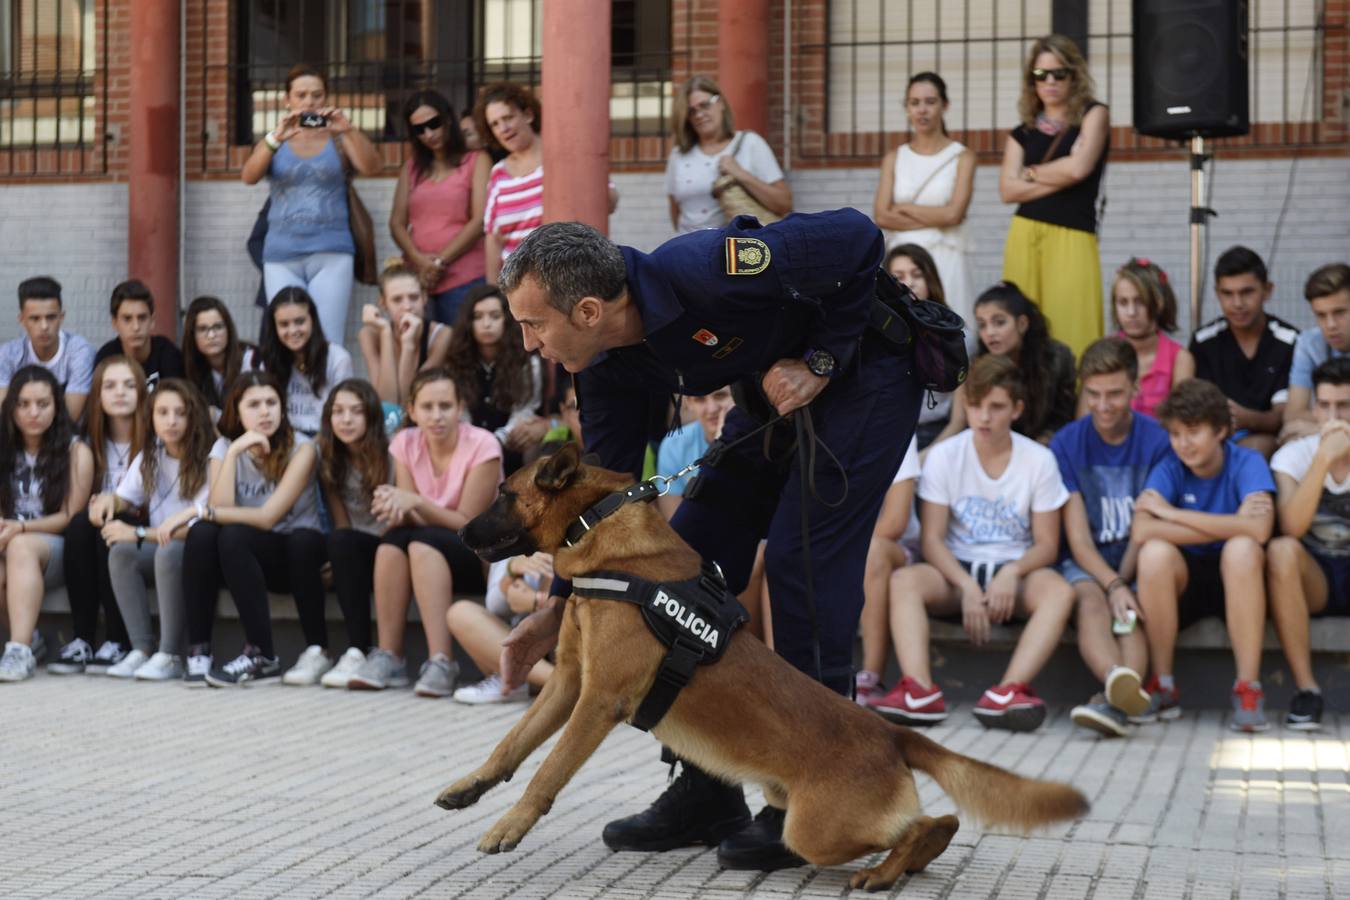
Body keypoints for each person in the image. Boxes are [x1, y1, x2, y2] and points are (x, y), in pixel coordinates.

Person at [496, 210, 922, 871]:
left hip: (866, 374)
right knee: (679, 567)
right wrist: (556, 608)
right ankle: (707, 788)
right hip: (771, 396)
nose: (528, 343)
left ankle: (814, 788)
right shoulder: (603, 364)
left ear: (585, 311)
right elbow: (598, 503)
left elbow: (860, 238)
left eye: (533, 324)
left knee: (800, 558)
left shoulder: (706, 269)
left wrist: (821, 360)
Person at [867, 355, 1073, 731]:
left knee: (1059, 592)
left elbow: (1047, 544)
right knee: (904, 581)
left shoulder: (1039, 460)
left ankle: (1008, 691)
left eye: (996, 407)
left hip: (1014, 571)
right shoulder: (946, 455)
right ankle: (920, 691)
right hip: (955, 569)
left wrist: (1011, 572)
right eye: (976, 406)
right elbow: (931, 540)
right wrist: (964, 585)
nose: (984, 417)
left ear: (1017, 409)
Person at [1132, 378, 1276, 731]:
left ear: (1221, 430)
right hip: (1186, 579)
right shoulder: (1169, 466)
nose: (1183, 443)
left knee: (1242, 550)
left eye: (1193, 431)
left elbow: (1259, 531)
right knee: (1153, 555)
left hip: (1241, 582)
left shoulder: (1248, 462)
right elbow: (1142, 531)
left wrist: (1173, 513)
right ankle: (1162, 684)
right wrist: (1233, 522)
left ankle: (1248, 688)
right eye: (1176, 433)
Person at [346, 369, 501, 697]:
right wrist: (391, 503)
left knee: (420, 543)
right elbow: (408, 513)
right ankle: (391, 656)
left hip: (477, 549)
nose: (436, 415)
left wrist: (413, 501)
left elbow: (468, 521)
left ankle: (442, 661)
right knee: (391, 543)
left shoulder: (484, 445)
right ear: (412, 411)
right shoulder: (405, 441)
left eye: (445, 406)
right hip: (427, 538)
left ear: (460, 408)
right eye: (427, 407)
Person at [1052, 339, 1171, 737]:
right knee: (1090, 602)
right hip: (1087, 561)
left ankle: (1111, 701)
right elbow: (1078, 538)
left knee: (1129, 616)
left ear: (1135, 389)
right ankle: (1117, 686)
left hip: (1135, 555)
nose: (1103, 405)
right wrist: (1112, 583)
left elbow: (1146, 521)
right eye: (1094, 394)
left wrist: (1124, 583)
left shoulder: (1157, 441)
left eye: (1115, 394)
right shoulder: (1067, 442)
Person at [181, 372, 326, 687]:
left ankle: (262, 655)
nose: (265, 412)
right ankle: (199, 651)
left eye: (272, 403)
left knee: (233, 533)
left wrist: (198, 510)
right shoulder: (225, 447)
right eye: (255, 405)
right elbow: (220, 510)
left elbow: (267, 518)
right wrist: (233, 452)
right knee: (202, 534)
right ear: (237, 411)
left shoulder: (301, 449)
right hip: (250, 555)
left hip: (295, 554)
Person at [241, 63, 381, 346]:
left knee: (328, 340)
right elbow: (249, 176)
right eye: (301, 95)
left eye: (316, 95)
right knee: (286, 341)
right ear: (287, 100)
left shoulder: (338, 137)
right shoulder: (276, 139)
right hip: (281, 255)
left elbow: (372, 167)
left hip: (332, 251)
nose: (309, 102)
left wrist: (348, 130)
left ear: (326, 98)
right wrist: (274, 138)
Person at [96, 379, 225, 680]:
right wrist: (106, 501)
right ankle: (141, 648)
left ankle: (169, 654)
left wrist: (140, 534)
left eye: (180, 413)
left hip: (198, 553)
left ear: (194, 416)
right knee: (121, 553)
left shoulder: (213, 452)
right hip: (163, 546)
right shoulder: (151, 453)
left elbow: (202, 528)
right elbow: (125, 497)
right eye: (163, 412)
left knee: (165, 552)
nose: (171, 421)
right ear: (151, 417)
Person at [999, 35, 1109, 359]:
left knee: (1074, 328)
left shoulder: (1093, 114)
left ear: (1074, 75)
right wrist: (1058, 172)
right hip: (1024, 234)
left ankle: (1075, 407)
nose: (1049, 81)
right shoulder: (1023, 131)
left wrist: (1028, 174)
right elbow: (1007, 190)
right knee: (1021, 332)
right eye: (1040, 74)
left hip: (1073, 235)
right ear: (1030, 79)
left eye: (1058, 73)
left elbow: (1079, 169)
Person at [1265, 357, 1350, 731]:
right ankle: (1307, 690)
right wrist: (1322, 461)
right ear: (1314, 407)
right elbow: (1292, 527)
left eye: (1344, 405)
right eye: (1326, 405)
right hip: (1317, 575)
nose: (1334, 415)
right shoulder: (1292, 457)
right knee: (1281, 551)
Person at [49, 357, 147, 675]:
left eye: (129, 385)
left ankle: (118, 640)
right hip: (96, 524)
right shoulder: (88, 442)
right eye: (110, 385)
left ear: (143, 392)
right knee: (80, 525)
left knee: (112, 528)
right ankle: (84, 638)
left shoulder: (154, 437)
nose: (120, 392)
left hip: (143, 527)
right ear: (98, 395)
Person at [0, 366, 94, 682]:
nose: (33, 413)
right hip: (9, 539)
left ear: (57, 405)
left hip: (52, 546)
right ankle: (34, 638)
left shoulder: (76, 450)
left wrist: (21, 528)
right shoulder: (3, 449)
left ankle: (19, 650)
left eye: (42, 404)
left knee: (20, 546)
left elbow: (70, 517)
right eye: (24, 404)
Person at [476, 82, 618, 284]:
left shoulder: (562, 155)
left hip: (568, 278)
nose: (503, 129)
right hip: (518, 288)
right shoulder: (498, 172)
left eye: (508, 118)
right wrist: (492, 291)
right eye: (495, 124)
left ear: (528, 115)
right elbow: (493, 238)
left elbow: (611, 201)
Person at [873, 72, 975, 336]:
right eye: (914, 102)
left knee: (951, 331)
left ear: (945, 105)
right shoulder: (895, 157)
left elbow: (954, 214)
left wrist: (905, 208)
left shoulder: (962, 156)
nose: (922, 110)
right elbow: (882, 215)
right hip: (903, 258)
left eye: (930, 101)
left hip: (946, 253)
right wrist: (936, 215)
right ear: (906, 108)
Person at [316, 378, 392, 688]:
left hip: (392, 542)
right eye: (338, 411)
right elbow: (341, 521)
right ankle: (357, 650)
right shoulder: (330, 458)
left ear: (371, 416)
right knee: (340, 541)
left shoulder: (392, 451)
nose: (346, 420)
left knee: (344, 544)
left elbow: (396, 519)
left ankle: (365, 649)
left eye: (356, 412)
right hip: (355, 545)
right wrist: (341, 560)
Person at [389, 90, 489, 324]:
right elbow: (396, 223)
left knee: (460, 354)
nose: (429, 133)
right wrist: (420, 261)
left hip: (465, 277)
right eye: (419, 129)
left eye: (434, 124)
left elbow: (480, 220)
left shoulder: (476, 160)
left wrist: (439, 262)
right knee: (422, 354)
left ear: (447, 118)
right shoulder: (412, 168)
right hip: (418, 281)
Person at [934, 281, 1076, 446]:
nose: (990, 333)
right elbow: (960, 423)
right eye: (982, 325)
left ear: (1022, 324)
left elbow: (1062, 421)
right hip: (990, 449)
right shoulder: (976, 364)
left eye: (999, 322)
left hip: (1043, 451)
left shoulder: (1056, 359)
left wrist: (1030, 454)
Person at [1189, 246, 1297, 460]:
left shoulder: (1290, 341)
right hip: (1215, 443)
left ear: (1267, 290)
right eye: (1227, 293)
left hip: (1274, 448)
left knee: (1257, 449)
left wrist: (1246, 418)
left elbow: (1285, 416)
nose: (1237, 303)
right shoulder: (1204, 341)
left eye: (1247, 292)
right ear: (1217, 293)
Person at [665, 74, 791, 233]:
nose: (699, 115)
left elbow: (784, 203)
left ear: (720, 103)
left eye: (705, 105)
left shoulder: (749, 143)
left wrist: (740, 174)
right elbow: (675, 209)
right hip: (689, 249)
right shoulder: (679, 155)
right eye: (691, 111)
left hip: (735, 250)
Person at [444, 284, 544, 474]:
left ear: (507, 319)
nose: (486, 324)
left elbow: (524, 411)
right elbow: (457, 411)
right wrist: (476, 443)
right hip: (465, 450)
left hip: (510, 448)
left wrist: (495, 441)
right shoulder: (456, 362)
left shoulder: (527, 362)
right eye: (478, 317)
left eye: (494, 316)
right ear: (468, 322)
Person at [855, 436, 920, 707]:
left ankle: (871, 678)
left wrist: (838, 550)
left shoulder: (893, 419)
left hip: (895, 548)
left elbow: (895, 522)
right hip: (839, 544)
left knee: (873, 553)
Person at [447, 550, 555, 704]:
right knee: (460, 613)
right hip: (525, 646)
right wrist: (512, 570)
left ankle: (567, 684)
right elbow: (495, 606)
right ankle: (559, 682)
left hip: (564, 645)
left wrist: (537, 601)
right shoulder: (509, 534)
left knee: (555, 575)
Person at [258, 287, 354, 439]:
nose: (293, 330)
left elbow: (344, 413)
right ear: (274, 327)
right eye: (284, 324)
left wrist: (311, 448)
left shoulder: (338, 358)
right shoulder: (269, 361)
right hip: (284, 440)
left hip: (328, 439)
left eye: (300, 321)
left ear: (313, 320)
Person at [885, 244, 956, 446]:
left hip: (938, 435)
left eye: (917, 275)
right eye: (898, 277)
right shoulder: (875, 337)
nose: (909, 283)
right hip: (889, 432)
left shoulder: (956, 337)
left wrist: (929, 457)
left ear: (930, 279)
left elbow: (960, 419)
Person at [0, 276, 95, 421]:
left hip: (68, 439)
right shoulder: (9, 354)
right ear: (22, 320)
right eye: (35, 318)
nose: (44, 326)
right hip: (20, 441)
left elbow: (70, 418)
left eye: (51, 317)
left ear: (61, 317)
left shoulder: (79, 351)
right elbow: (4, 414)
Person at [1109, 258, 1194, 418]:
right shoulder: (1103, 351)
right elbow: (1084, 422)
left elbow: (1181, 422)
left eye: (1140, 302)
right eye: (1123, 302)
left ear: (1159, 303)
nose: (1131, 312)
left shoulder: (1180, 359)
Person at [359, 265, 453, 408]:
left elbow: (409, 400)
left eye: (414, 297)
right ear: (383, 303)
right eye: (397, 300)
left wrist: (408, 345)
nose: (408, 306)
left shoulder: (442, 334)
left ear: (424, 298)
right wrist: (385, 333)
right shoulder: (369, 335)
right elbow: (387, 402)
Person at [1281, 263, 1350, 442]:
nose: (1331, 325)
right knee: (1290, 439)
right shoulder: (1309, 343)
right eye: (1321, 315)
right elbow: (1293, 414)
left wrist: (1322, 427)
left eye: (1339, 312)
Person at [654, 385, 734, 518]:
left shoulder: (757, 439)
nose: (712, 408)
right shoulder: (674, 445)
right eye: (700, 399)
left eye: (720, 396)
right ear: (688, 403)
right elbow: (674, 520)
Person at [92, 280, 184, 390]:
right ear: (115, 323)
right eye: (127, 319)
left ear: (152, 321)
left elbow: (178, 401)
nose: (136, 327)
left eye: (142, 318)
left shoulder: (168, 354)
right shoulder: (106, 358)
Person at [181, 296, 256, 416]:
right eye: (202, 329)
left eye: (218, 327)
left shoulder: (252, 359)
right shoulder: (187, 367)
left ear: (228, 329)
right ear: (192, 335)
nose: (211, 335)